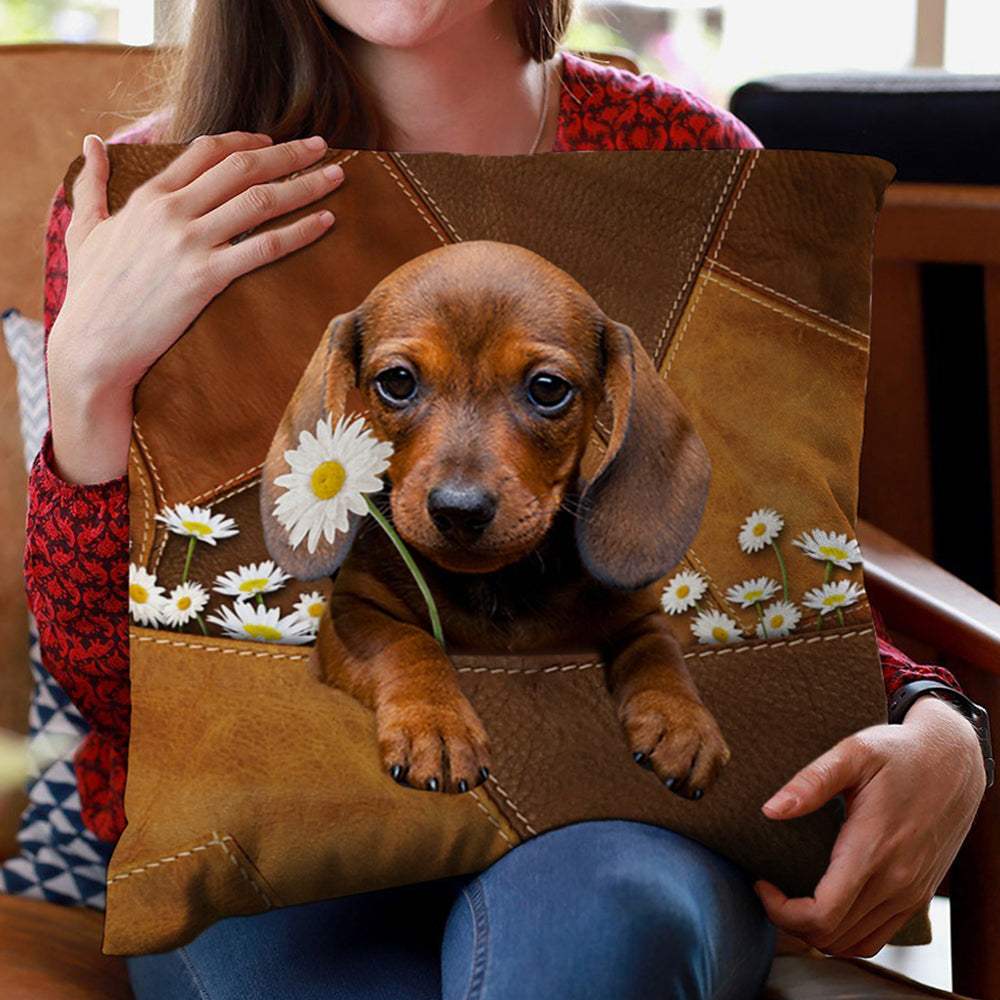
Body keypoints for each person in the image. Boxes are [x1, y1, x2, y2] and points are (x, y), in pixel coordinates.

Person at [25, 1, 988, 997]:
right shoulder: (156, 202)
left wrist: (936, 714)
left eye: (544, 389)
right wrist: (89, 381)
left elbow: (761, 552)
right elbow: (106, 683)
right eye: (400, 382)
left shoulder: (689, 164)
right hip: (273, 824)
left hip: (614, 822)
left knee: (602, 920)